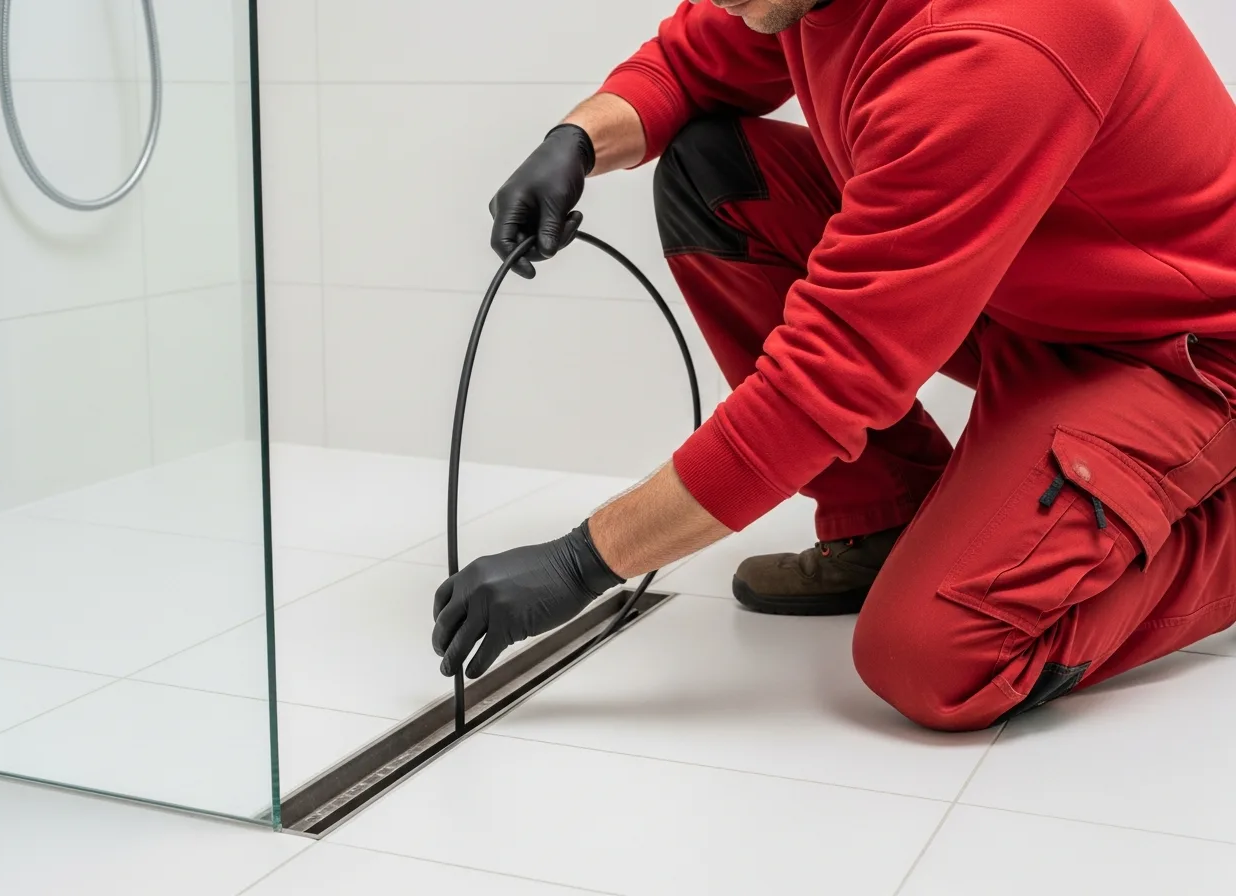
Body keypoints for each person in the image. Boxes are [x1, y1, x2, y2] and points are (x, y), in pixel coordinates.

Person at [431, 0, 1236, 731]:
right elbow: (690, 62)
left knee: (937, 658)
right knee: (717, 173)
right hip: (1025, 292)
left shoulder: (1001, 43)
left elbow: (822, 383)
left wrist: (582, 561)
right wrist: (574, 139)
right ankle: (881, 519)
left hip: (1173, 355)